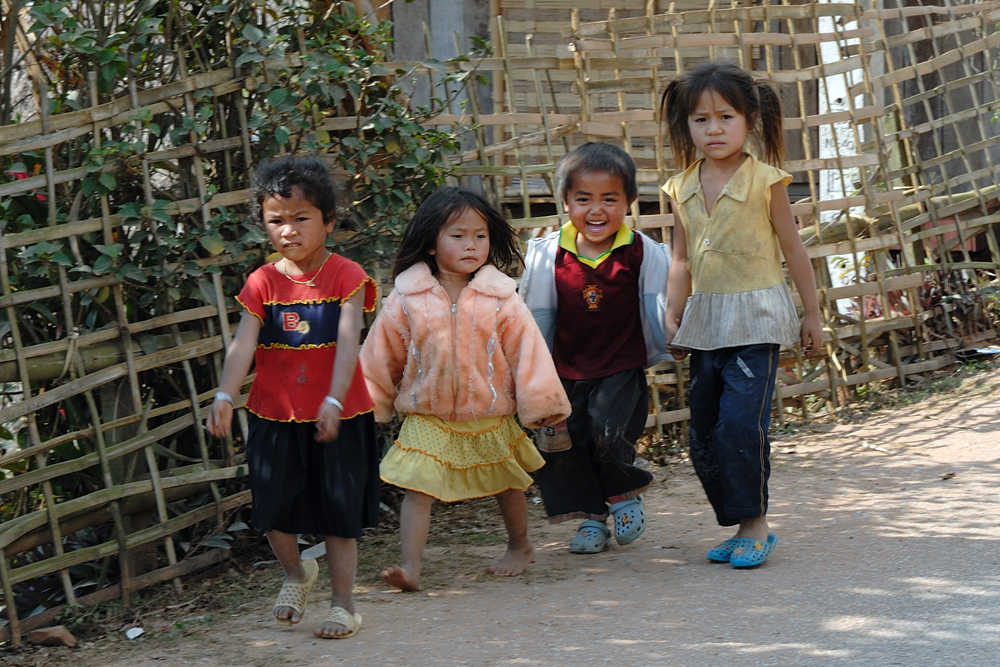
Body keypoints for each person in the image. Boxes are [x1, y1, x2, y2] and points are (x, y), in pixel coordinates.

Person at [360, 186, 571, 591]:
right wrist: (371, 403)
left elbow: (528, 353)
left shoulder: (501, 298)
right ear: (432, 244)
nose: (471, 244)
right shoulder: (407, 298)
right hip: (427, 416)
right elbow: (380, 355)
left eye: (480, 235)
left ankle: (520, 544)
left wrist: (542, 402)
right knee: (417, 487)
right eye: (457, 236)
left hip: (490, 413)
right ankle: (411, 567)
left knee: (507, 483)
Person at [206, 155, 378, 637]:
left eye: (301, 218)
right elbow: (243, 343)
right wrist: (224, 393)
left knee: (337, 513)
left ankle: (344, 605)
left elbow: (349, 342)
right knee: (271, 508)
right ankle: (298, 574)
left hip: (339, 412)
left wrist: (334, 400)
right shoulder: (262, 281)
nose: (288, 230)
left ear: (328, 220)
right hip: (273, 412)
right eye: (276, 220)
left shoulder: (347, 276)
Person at [660, 61, 822, 567]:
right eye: (700, 119)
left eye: (725, 117)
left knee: (738, 425)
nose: (713, 129)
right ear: (685, 126)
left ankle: (756, 524)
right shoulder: (680, 187)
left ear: (749, 121)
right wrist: (673, 315)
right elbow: (682, 258)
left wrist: (812, 314)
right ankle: (737, 522)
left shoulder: (765, 181)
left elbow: (793, 249)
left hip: (756, 318)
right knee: (704, 432)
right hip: (705, 324)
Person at [520, 142, 672, 554]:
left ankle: (624, 496)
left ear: (629, 202)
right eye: (583, 199)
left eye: (610, 199)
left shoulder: (641, 251)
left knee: (609, 434)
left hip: (621, 365)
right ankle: (592, 520)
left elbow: (661, 301)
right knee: (572, 446)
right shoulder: (547, 255)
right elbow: (534, 313)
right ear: (566, 201)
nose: (596, 210)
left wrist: (672, 335)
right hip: (566, 369)